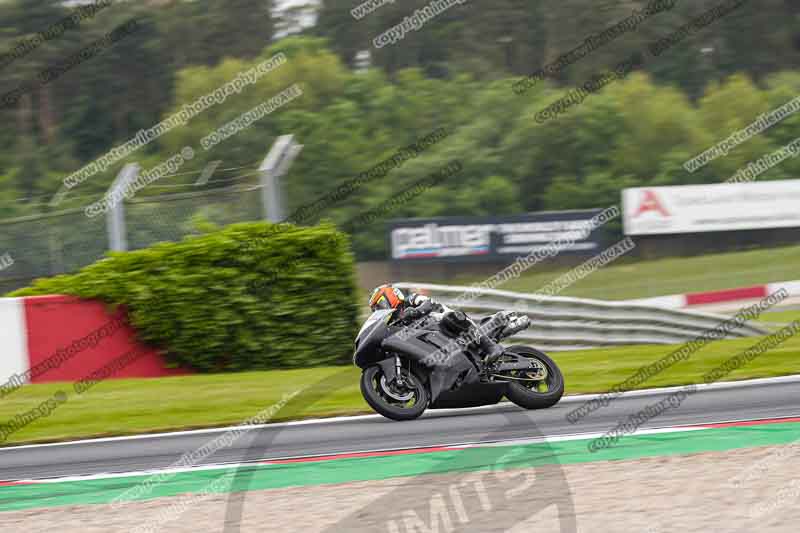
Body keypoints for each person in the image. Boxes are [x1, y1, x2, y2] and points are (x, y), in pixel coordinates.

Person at [367, 284, 506, 364]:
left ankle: (490, 346)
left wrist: (415, 312)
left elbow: (429, 303)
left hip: (444, 324)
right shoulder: (394, 323)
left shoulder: (411, 300)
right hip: (435, 344)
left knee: (452, 317)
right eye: (376, 309)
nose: (379, 310)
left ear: (391, 295)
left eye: (380, 305)